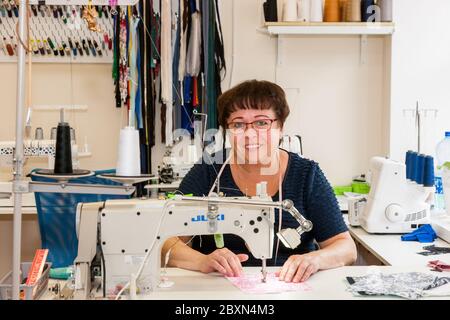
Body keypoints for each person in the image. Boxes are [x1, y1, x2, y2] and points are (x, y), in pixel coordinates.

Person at [161, 80, 357, 283]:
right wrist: (202, 261)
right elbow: (165, 240)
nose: (249, 133)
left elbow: (345, 247)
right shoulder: (208, 171)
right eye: (238, 124)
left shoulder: (307, 174)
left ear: (280, 127)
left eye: (262, 122)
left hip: (292, 287)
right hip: (219, 287)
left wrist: (315, 259)